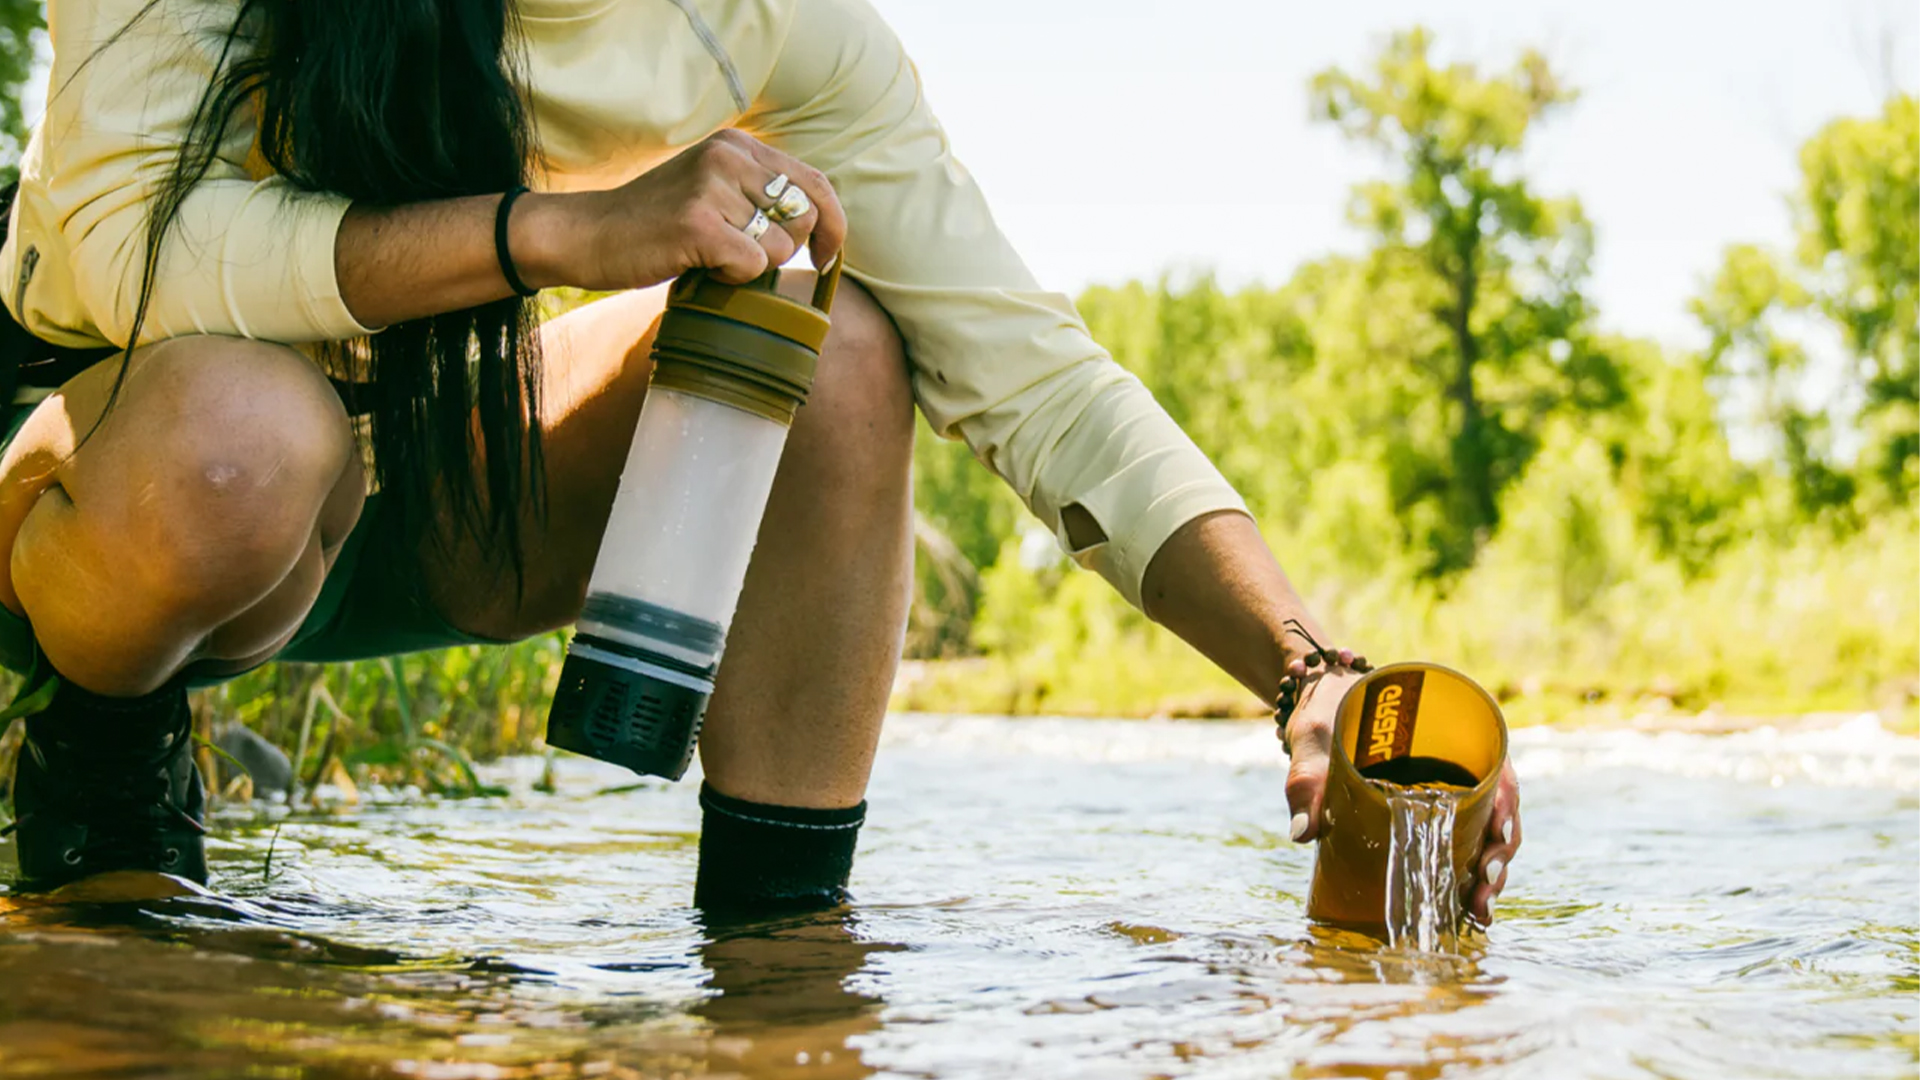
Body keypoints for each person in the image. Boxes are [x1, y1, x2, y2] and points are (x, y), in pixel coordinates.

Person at [0, 0, 1520, 918]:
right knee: (248, 445)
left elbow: (1034, 377)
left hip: (432, 479)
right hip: (120, 477)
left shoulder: (776, 22)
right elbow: (125, 245)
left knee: (844, 341)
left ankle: (778, 945)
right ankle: (104, 739)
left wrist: (1309, 670)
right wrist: (560, 234)